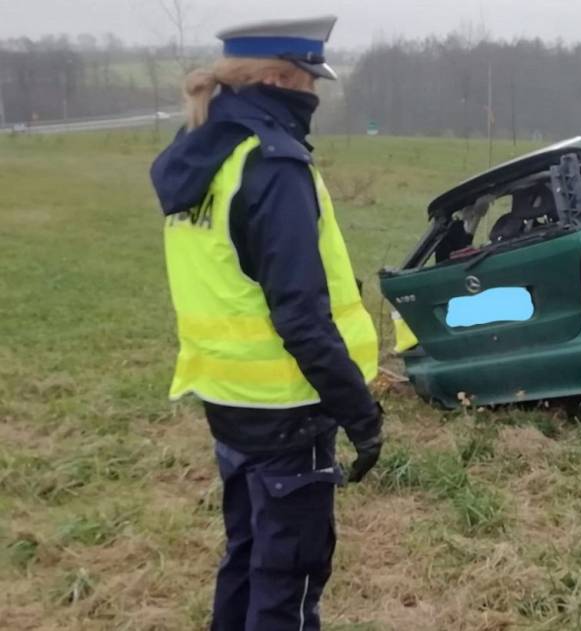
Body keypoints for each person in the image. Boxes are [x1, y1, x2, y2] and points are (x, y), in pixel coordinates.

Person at [149, 16, 383, 631]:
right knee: (288, 582)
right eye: (310, 83)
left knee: (248, 556)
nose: (313, 98)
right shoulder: (273, 165)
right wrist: (359, 412)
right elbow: (301, 316)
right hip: (288, 407)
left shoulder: (201, 152)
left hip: (228, 399)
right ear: (280, 78)